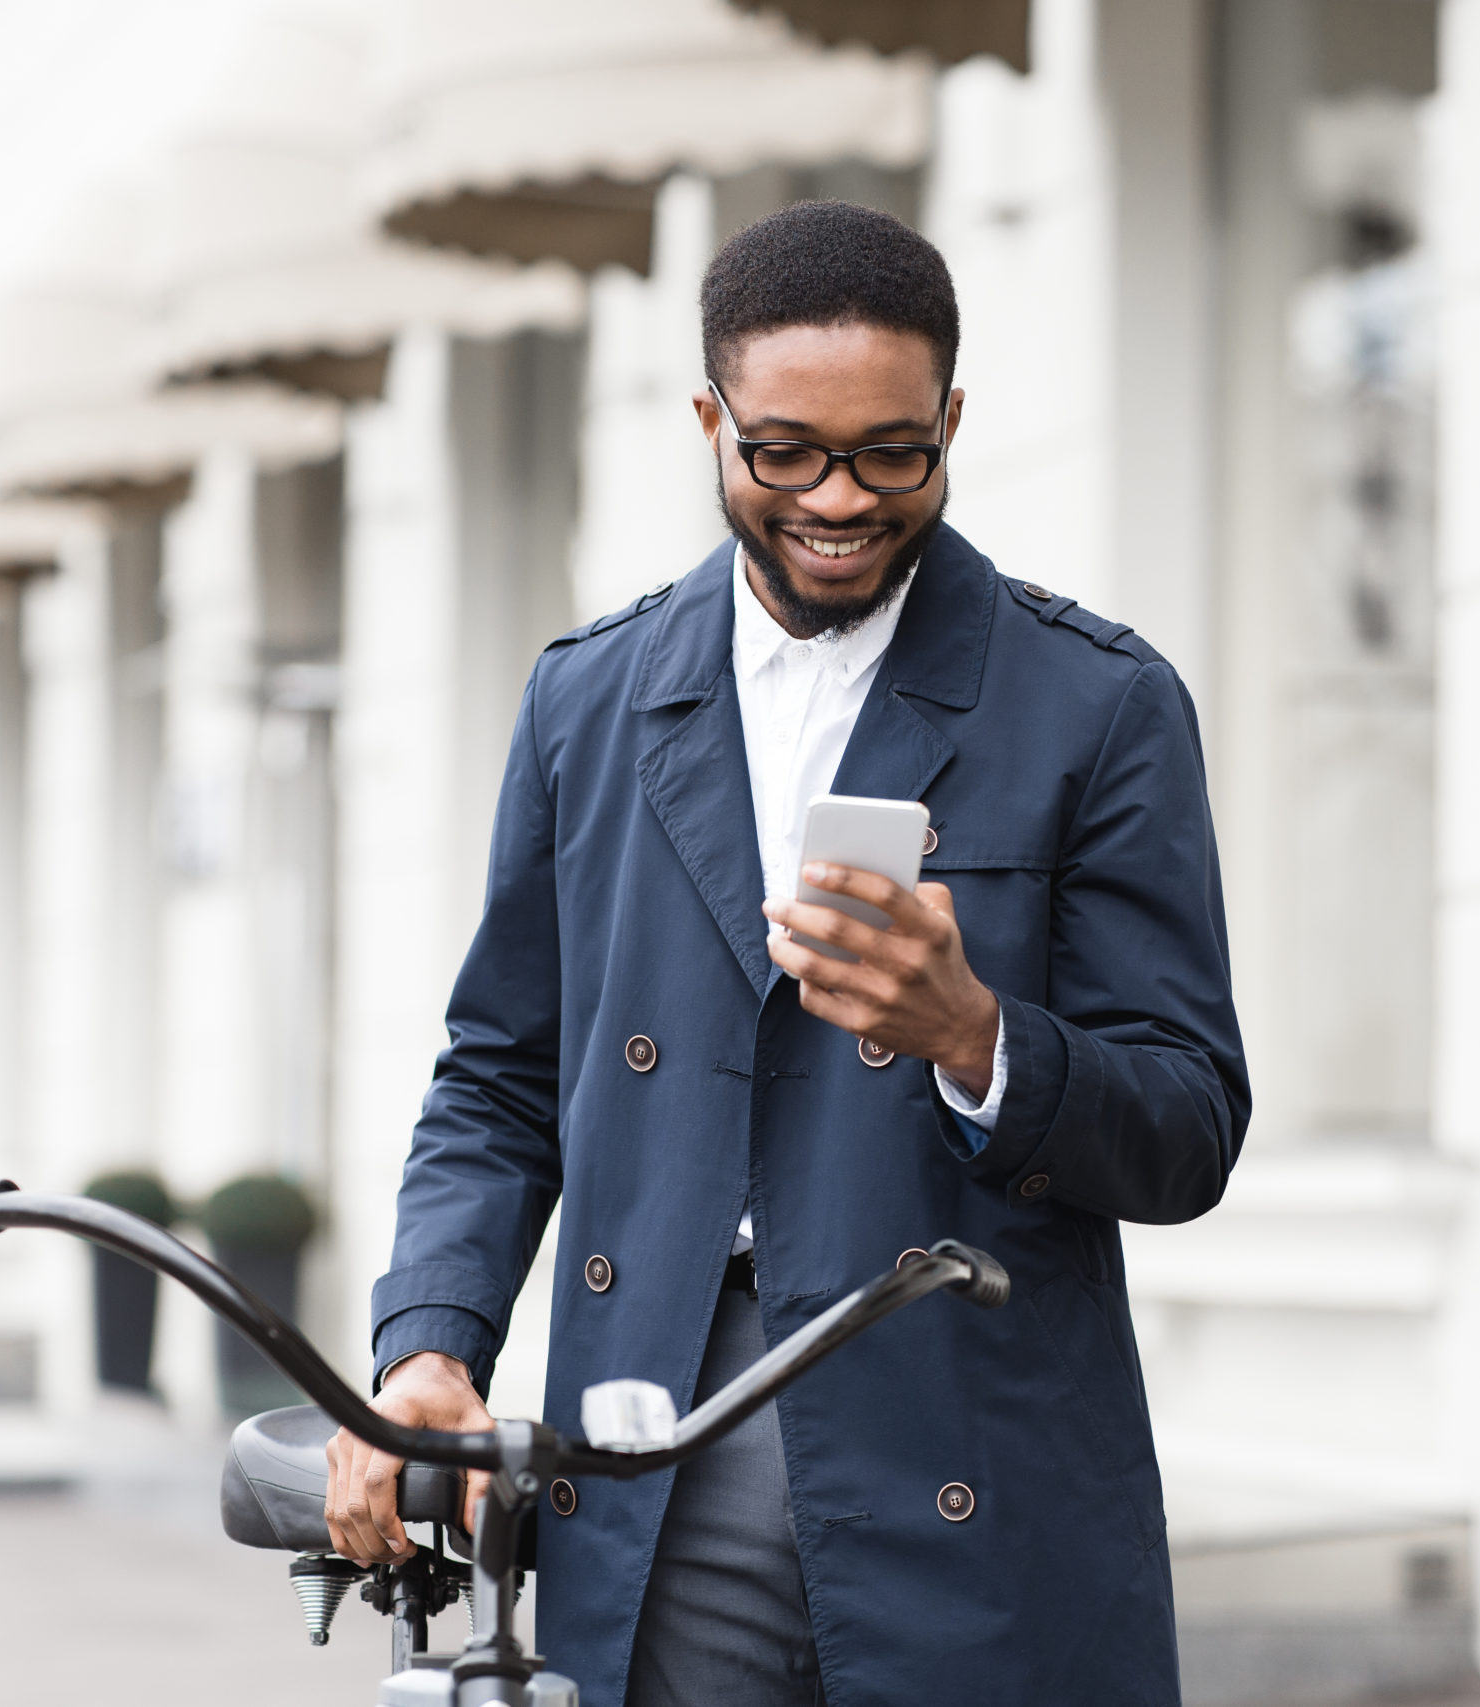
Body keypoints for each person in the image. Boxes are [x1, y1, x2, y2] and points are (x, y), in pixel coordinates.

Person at [324, 199, 1248, 1707]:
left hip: (966, 1431)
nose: (840, 497)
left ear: (952, 418)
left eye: (894, 452)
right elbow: (499, 1079)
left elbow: (1190, 1130)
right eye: (785, 451)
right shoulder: (591, 701)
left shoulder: (1097, 703)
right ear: (709, 420)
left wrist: (978, 1036)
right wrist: (429, 1345)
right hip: (661, 1425)